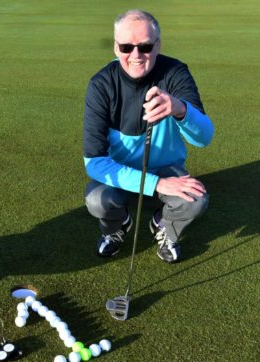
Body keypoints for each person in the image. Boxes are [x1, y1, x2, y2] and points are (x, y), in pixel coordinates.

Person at [83, 10, 214, 263]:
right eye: (126, 47)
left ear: (158, 45)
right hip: (120, 170)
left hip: (166, 167)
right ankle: (117, 226)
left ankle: (164, 224)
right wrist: (157, 185)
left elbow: (204, 137)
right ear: (115, 47)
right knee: (97, 199)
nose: (135, 56)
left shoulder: (175, 73)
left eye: (145, 46)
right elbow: (95, 162)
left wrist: (180, 109)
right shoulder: (101, 84)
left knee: (196, 200)